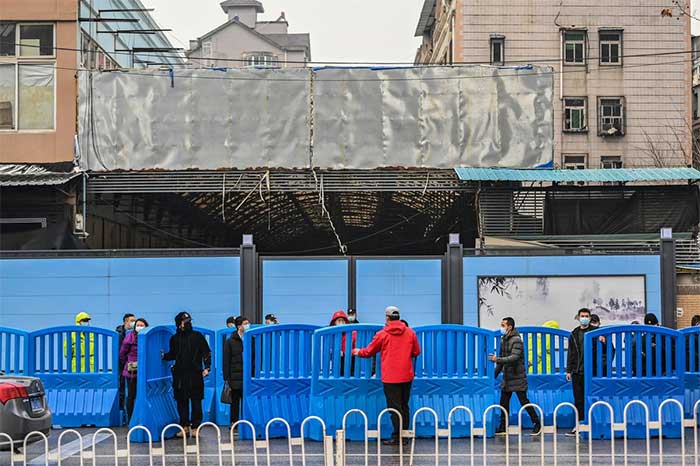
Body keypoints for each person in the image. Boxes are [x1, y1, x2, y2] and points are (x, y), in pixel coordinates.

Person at [352, 306, 420, 446]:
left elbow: (369, 351)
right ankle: (404, 435)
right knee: (404, 405)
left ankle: (397, 437)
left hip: (390, 377)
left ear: (387, 318)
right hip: (406, 375)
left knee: (394, 408)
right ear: (399, 317)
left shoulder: (382, 334)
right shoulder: (410, 333)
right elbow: (416, 352)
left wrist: (358, 351)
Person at [162, 312, 212, 438]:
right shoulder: (174, 339)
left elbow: (206, 352)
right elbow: (172, 354)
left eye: (189, 321)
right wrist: (164, 356)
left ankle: (195, 427)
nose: (188, 323)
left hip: (195, 374)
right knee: (181, 401)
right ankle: (184, 427)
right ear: (179, 324)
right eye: (185, 321)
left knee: (196, 401)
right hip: (180, 375)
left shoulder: (198, 336)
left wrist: (207, 367)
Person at [490, 317, 541, 436]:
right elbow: (501, 361)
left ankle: (537, 423)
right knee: (504, 402)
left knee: (524, 401)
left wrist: (497, 359)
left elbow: (514, 357)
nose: (501, 327)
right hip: (507, 377)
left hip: (517, 376)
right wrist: (493, 376)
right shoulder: (503, 340)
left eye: (503, 325)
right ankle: (503, 426)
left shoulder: (516, 340)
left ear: (510, 327)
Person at [565, 308, 596, 436]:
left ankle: (591, 424)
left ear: (590, 318)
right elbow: (570, 353)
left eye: (586, 316)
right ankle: (579, 424)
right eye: (582, 316)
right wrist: (568, 370)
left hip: (591, 372)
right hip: (577, 371)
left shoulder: (595, 332)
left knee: (591, 399)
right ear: (578, 317)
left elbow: (606, 350)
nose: (584, 318)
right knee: (578, 399)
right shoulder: (574, 334)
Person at [119, 318, 148, 421]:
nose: (139, 327)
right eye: (138, 325)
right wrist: (128, 363)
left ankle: (142, 417)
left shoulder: (148, 337)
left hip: (145, 370)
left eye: (142, 325)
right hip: (132, 370)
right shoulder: (129, 337)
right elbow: (122, 354)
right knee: (131, 395)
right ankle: (131, 418)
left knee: (144, 394)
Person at [223, 316, 249, 426]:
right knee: (235, 402)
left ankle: (247, 424)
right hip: (234, 377)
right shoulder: (230, 341)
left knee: (247, 402)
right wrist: (227, 378)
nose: (248, 325)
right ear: (239, 326)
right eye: (245, 323)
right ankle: (234, 423)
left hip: (247, 377)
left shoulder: (250, 339)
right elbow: (226, 360)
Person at [116, 313, 135, 417]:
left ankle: (126, 413)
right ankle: (122, 412)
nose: (134, 322)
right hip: (122, 365)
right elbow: (121, 351)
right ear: (126, 321)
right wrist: (124, 362)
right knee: (122, 388)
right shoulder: (120, 333)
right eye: (132, 320)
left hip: (130, 365)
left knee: (130, 391)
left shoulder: (133, 333)